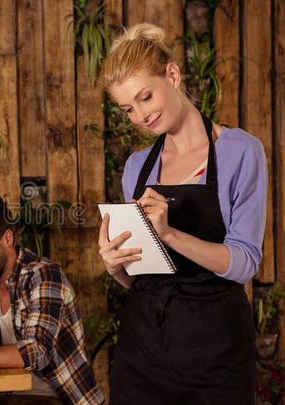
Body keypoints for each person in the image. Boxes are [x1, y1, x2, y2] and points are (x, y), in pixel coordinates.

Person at [97, 23, 267, 404]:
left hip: (215, 354)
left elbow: (244, 263)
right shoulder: (137, 167)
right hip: (141, 351)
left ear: (172, 75)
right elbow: (143, 278)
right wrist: (116, 266)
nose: (139, 116)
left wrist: (170, 234)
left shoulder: (240, 152)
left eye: (145, 97)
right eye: (127, 108)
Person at [0, 193, 104, 405]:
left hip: (58, 397)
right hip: (8, 394)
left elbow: (37, 352)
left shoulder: (44, 274)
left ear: (7, 238)